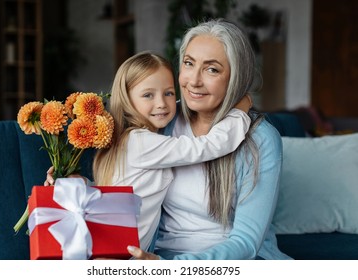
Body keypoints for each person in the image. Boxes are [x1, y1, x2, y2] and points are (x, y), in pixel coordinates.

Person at [45, 51, 252, 252]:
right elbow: (205, 147)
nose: (161, 103)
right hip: (117, 256)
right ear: (127, 100)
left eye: (169, 93)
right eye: (148, 95)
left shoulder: (126, 140)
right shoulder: (141, 142)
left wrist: (81, 184)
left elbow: (114, 197)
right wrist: (238, 113)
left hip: (111, 249)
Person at [127, 19, 292, 260]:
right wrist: (75, 184)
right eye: (189, 64)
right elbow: (124, 179)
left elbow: (246, 242)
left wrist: (175, 267)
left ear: (235, 76)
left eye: (212, 69)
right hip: (158, 255)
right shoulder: (162, 120)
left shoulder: (261, 139)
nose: (193, 81)